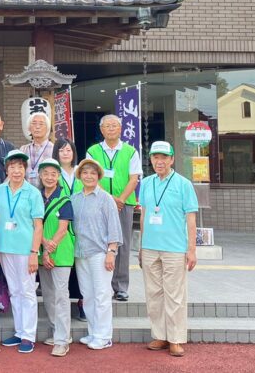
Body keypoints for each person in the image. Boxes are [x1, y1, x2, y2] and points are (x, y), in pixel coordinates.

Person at [139, 141, 198, 358]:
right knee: (153, 294)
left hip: (175, 248)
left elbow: (191, 219)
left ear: (172, 159)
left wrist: (191, 250)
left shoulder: (184, 184)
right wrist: (141, 247)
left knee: (175, 295)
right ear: (151, 160)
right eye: (155, 157)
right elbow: (144, 215)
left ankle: (175, 339)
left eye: (164, 157)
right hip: (150, 247)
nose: (159, 161)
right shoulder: (146, 183)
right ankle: (160, 335)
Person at [85, 114, 142, 302]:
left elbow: (134, 178)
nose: (110, 129)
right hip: (98, 202)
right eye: (107, 126)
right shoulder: (93, 151)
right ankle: (103, 285)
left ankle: (121, 287)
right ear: (101, 130)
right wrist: (110, 199)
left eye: (114, 126)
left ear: (120, 128)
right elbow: (90, 175)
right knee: (101, 243)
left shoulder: (130, 151)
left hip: (124, 205)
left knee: (122, 244)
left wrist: (121, 200)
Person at [0, 150, 43, 354]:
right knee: (14, 290)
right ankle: (19, 330)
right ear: (7, 169)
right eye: (12, 167)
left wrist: (34, 252)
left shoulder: (33, 192)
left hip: (25, 249)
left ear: (25, 169)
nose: (16, 171)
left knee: (27, 291)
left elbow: (38, 225)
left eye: (20, 167)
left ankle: (29, 335)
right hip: (5, 247)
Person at [70, 158, 123, 351]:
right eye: (85, 173)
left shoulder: (105, 199)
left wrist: (111, 251)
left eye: (93, 173)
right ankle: (93, 332)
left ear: (98, 176)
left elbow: (114, 227)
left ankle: (104, 336)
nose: (89, 176)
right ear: (80, 176)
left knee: (101, 294)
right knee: (88, 295)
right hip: (80, 253)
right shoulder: (75, 198)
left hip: (100, 252)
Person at [37, 158, 75, 357]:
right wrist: (43, 244)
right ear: (40, 176)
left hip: (60, 251)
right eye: (46, 174)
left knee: (61, 295)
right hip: (43, 251)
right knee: (49, 295)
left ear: (59, 176)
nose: (49, 177)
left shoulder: (65, 198)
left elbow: (63, 228)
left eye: (54, 174)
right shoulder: (37, 197)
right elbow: (35, 223)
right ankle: (57, 331)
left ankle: (62, 340)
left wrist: (49, 248)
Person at [52, 139, 85, 322]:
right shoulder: (52, 172)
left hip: (81, 223)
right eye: (62, 150)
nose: (65, 153)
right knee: (65, 264)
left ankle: (82, 302)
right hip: (60, 223)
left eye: (69, 150)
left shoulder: (81, 171)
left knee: (81, 265)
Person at [20, 112, 54, 189]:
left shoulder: (54, 149)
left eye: (41, 124)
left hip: (47, 195)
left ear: (47, 128)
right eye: (34, 123)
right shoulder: (23, 149)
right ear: (29, 128)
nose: (37, 127)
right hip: (26, 194)